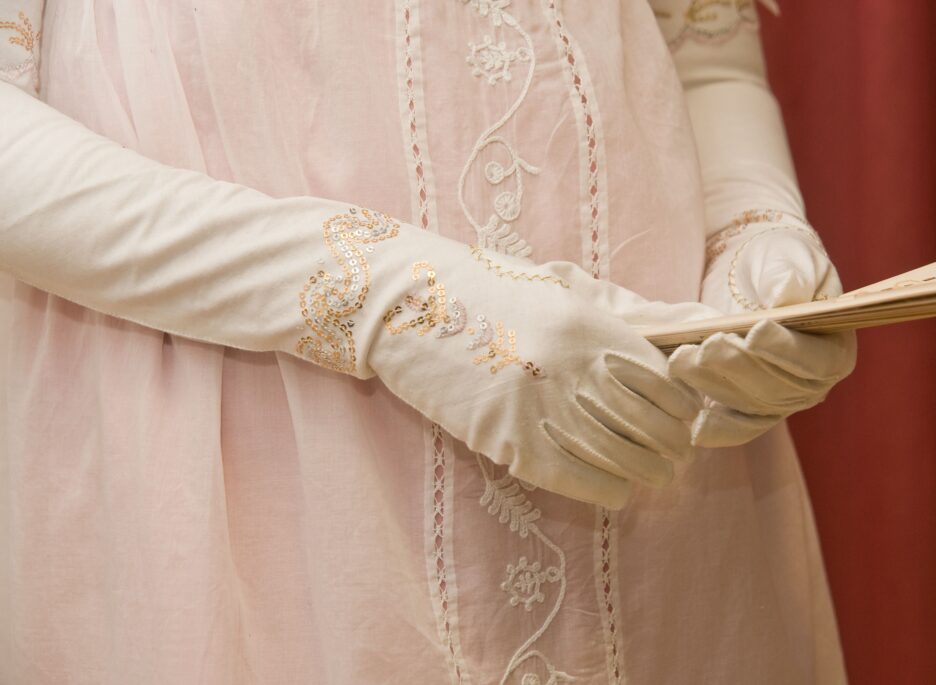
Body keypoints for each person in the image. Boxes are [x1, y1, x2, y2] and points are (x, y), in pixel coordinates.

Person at [0, 0, 855, 682]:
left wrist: (753, 231)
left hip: (658, 497)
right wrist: (400, 302)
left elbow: (703, 49)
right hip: (260, 499)